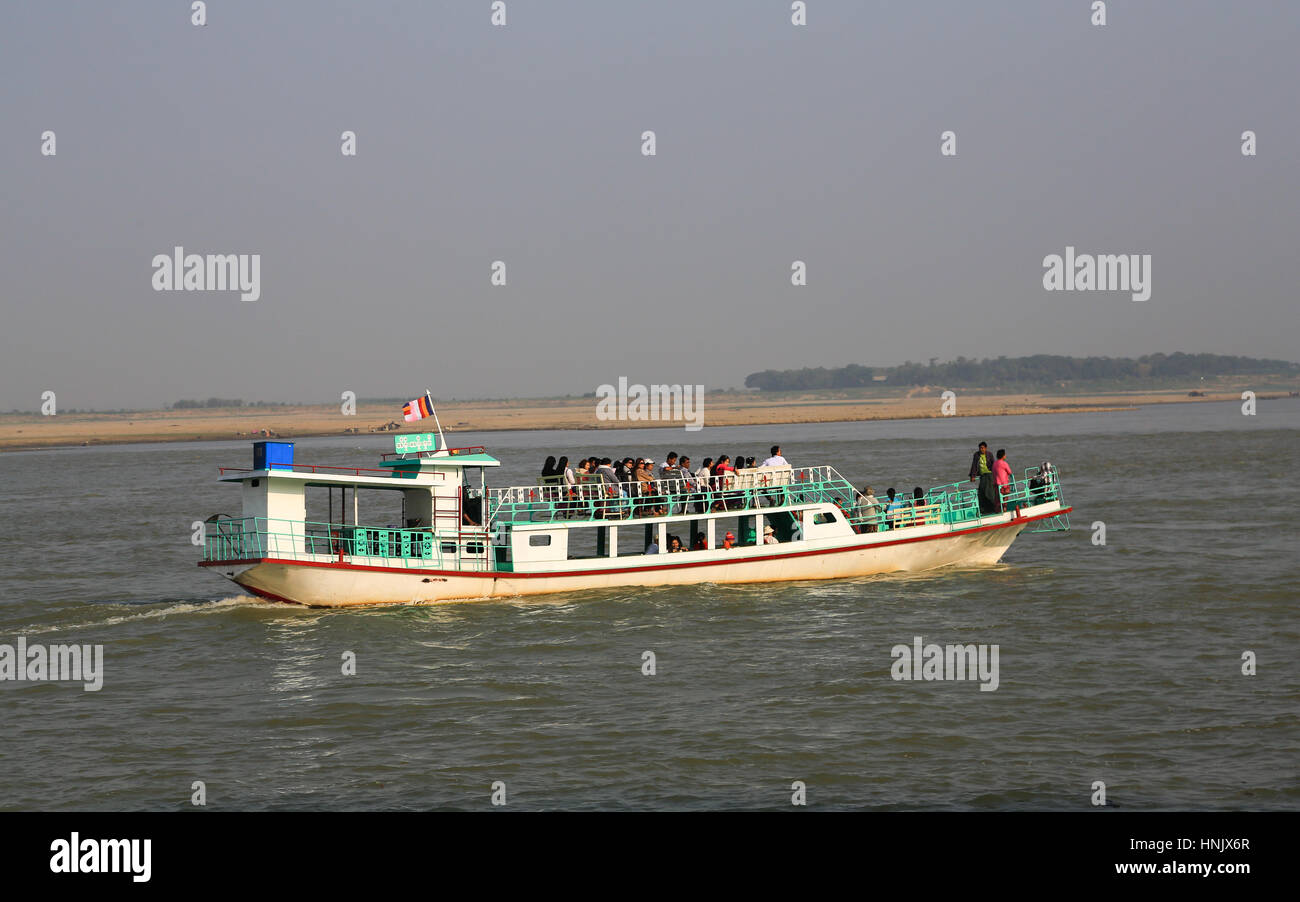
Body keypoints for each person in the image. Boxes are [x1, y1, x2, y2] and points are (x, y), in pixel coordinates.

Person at [969, 441, 997, 515]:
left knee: (990, 492)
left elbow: (994, 464)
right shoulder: (976, 455)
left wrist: (996, 474)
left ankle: (993, 508)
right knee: (981, 492)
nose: (981, 449)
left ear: (986, 448)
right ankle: (983, 510)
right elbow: (974, 465)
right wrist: (973, 476)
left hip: (989, 475)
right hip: (982, 475)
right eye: (980, 448)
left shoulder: (989, 454)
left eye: (983, 448)